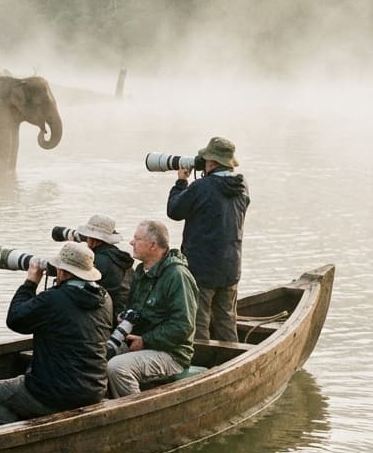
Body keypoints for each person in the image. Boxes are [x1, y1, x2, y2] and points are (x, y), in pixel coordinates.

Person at [0, 242, 111, 424]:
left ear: (63, 272)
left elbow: (15, 320)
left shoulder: (54, 299)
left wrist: (30, 283)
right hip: (94, 390)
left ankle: (19, 443)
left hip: (55, 394)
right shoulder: (105, 299)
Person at [166, 136, 250, 342]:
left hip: (201, 270)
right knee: (226, 321)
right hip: (230, 267)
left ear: (211, 162)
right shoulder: (241, 186)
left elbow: (174, 210)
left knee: (199, 323)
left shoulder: (202, 187)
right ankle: (232, 363)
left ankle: (203, 366)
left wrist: (181, 182)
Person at [107, 220, 198, 397]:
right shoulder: (141, 272)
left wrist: (145, 340)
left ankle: (135, 413)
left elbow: (183, 326)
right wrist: (125, 317)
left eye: (137, 239)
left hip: (172, 354)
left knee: (117, 368)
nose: (131, 242)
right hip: (141, 344)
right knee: (96, 357)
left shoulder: (177, 276)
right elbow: (136, 309)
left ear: (153, 245)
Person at [75, 214, 134, 321]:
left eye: (87, 237)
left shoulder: (97, 261)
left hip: (106, 319)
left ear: (92, 239)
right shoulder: (120, 258)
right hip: (124, 317)